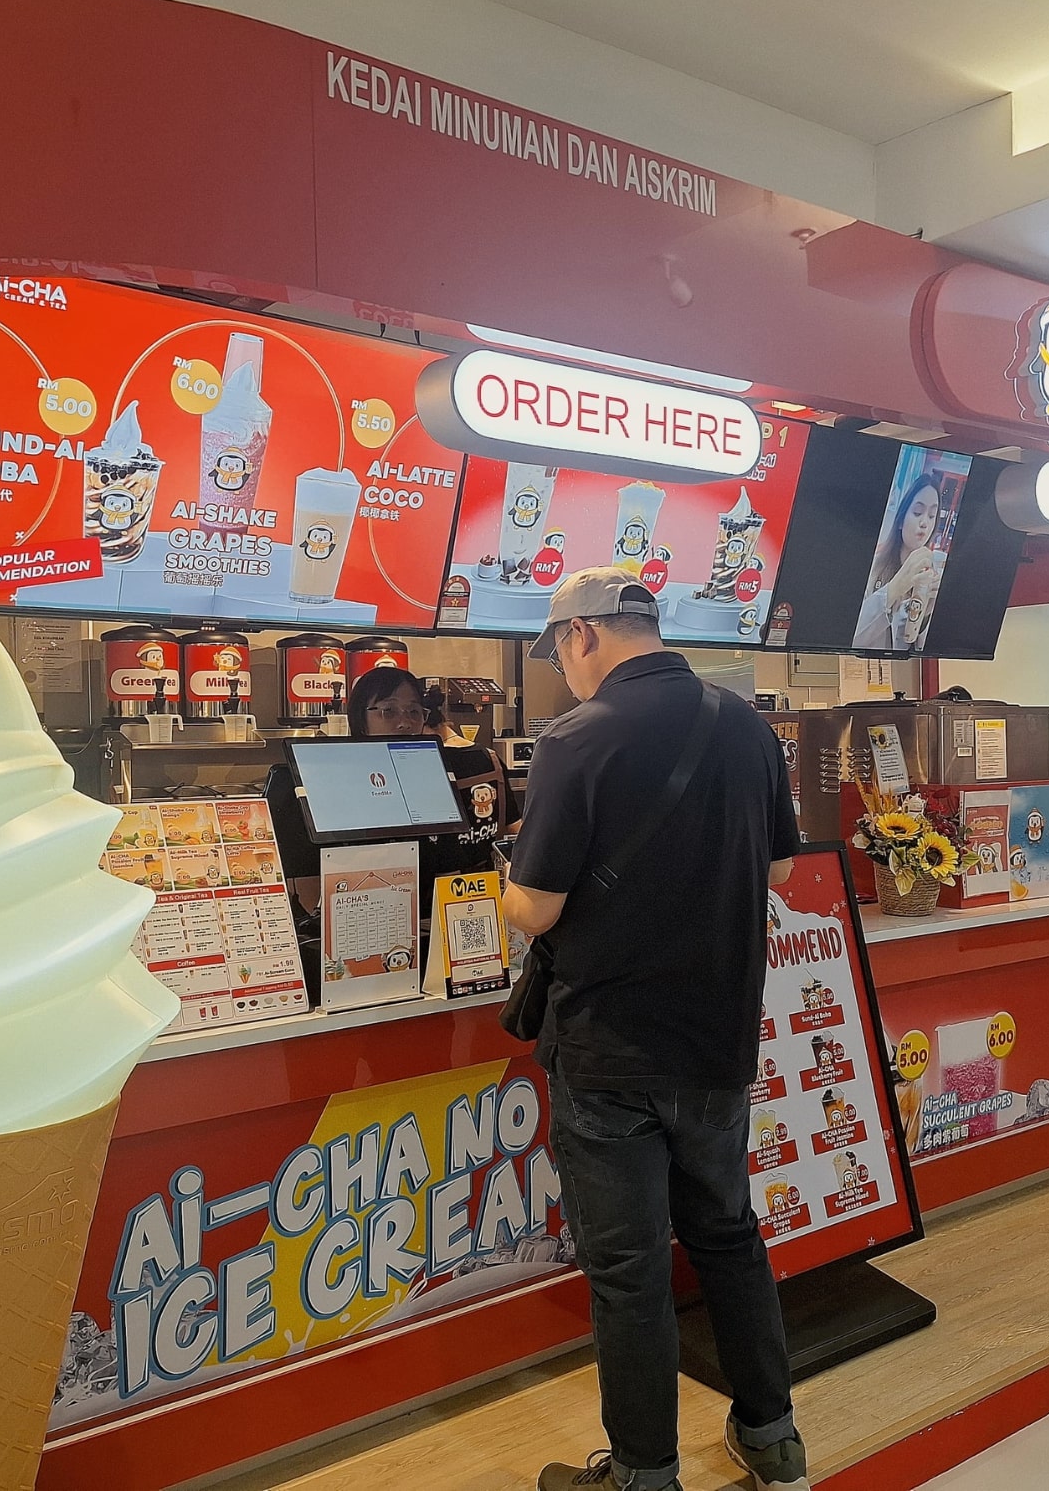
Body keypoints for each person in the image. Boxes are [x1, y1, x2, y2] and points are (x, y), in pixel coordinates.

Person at [502, 568, 806, 1491]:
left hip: (611, 1048)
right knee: (729, 1237)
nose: (562, 670)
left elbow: (535, 908)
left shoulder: (576, 739)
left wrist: (508, 883)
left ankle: (644, 1475)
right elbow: (780, 875)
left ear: (584, 634)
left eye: (559, 652)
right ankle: (773, 1440)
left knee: (630, 1271)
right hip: (718, 1037)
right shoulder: (746, 726)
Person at [346, 666, 519, 882]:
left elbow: (449, 868)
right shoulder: (343, 781)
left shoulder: (432, 778)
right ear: (360, 719)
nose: (405, 723)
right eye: (389, 710)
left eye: (414, 711)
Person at [852, 469, 944, 652]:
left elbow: (924, 652)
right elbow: (850, 639)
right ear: (901, 520)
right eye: (917, 512)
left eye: (932, 516)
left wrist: (927, 613)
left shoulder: (932, 575)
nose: (924, 523)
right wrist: (895, 588)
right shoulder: (872, 567)